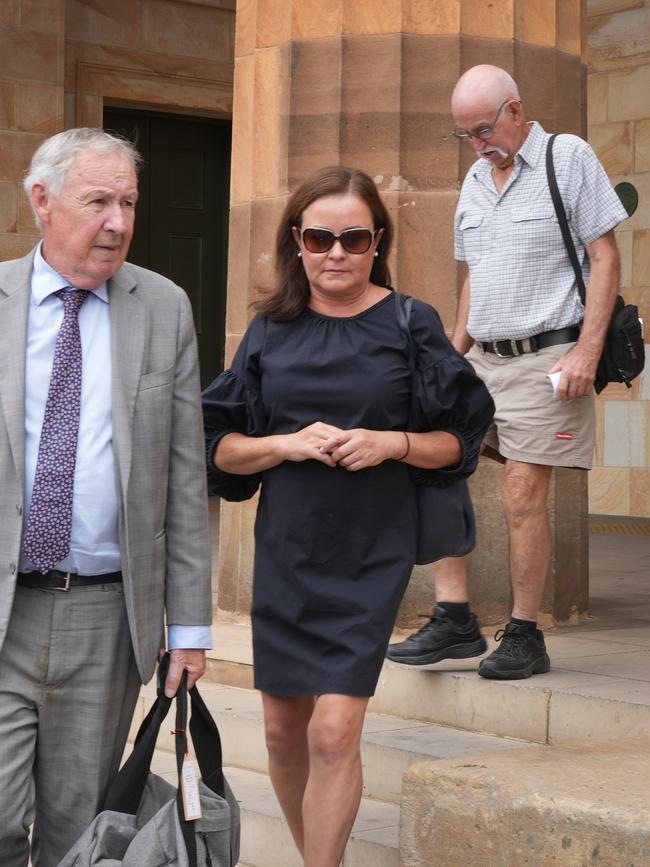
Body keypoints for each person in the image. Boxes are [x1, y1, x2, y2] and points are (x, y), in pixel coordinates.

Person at [202, 165, 494, 867]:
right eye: (320, 237)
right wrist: (285, 442)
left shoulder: (409, 321)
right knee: (280, 732)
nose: (337, 252)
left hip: (371, 550)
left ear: (376, 242)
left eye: (354, 238)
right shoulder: (269, 332)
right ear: (296, 242)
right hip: (288, 550)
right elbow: (219, 446)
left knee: (334, 730)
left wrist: (391, 442)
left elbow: (463, 438)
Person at [0, 128, 213, 867]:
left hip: (103, 616)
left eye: (127, 201)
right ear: (42, 201)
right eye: (98, 201)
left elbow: (184, 477)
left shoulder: (164, 306)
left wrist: (187, 624)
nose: (119, 220)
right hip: (4, 605)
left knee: (77, 826)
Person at [387, 64, 628, 680]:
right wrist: (452, 352)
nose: (477, 142)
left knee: (522, 489)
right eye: (465, 133)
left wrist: (587, 352)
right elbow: (476, 276)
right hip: (481, 357)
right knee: (436, 464)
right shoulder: (474, 178)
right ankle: (454, 620)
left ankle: (525, 634)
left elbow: (605, 258)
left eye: (484, 128)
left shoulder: (565, 157)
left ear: (516, 111)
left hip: (549, 354)